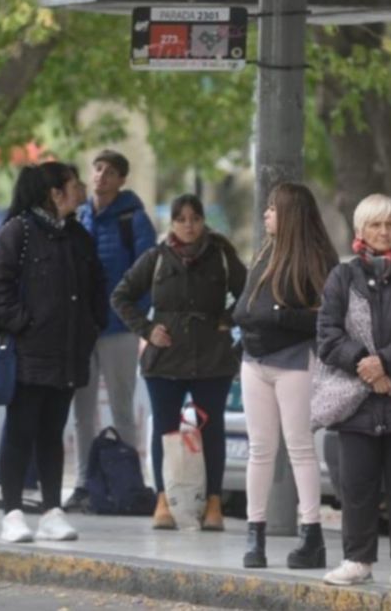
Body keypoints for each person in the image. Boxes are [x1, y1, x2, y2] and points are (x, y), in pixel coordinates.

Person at [317, 194, 391, 588]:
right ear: (360, 231)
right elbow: (327, 336)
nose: (384, 231)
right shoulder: (342, 277)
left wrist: (384, 362)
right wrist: (367, 367)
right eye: (375, 225)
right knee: (356, 487)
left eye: (390, 223)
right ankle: (357, 559)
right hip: (356, 405)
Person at [0, 162, 105, 543]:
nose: (81, 188)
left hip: (68, 353)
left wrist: (87, 329)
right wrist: (26, 325)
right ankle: (14, 512)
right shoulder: (18, 231)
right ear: (55, 193)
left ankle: (52, 510)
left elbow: (97, 292)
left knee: (53, 433)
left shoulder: (78, 237)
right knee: (21, 431)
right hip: (27, 354)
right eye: (73, 184)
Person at [111, 194, 246, 532]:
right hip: (166, 359)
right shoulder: (156, 257)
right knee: (166, 431)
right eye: (181, 219)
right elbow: (121, 296)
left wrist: (228, 319)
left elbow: (250, 292)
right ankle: (164, 500)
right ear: (171, 223)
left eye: (195, 218)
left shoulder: (221, 254)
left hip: (212, 357)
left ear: (203, 222)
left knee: (211, 431)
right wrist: (147, 329)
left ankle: (213, 501)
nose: (189, 225)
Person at [233, 182, 338, 570]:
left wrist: (277, 315)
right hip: (254, 359)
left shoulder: (316, 258)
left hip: (293, 360)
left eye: (274, 209)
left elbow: (325, 316)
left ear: (290, 214)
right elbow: (245, 306)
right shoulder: (265, 251)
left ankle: (311, 533)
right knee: (259, 449)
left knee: (298, 447)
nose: (266, 214)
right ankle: (254, 532)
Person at [65, 149, 156, 512]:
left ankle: (127, 484)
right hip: (83, 328)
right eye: (98, 168)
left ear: (121, 180)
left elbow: (149, 271)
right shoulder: (80, 214)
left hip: (119, 328)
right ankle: (84, 484)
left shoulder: (133, 219)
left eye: (110, 171)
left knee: (120, 406)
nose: (101, 175)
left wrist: (136, 316)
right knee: (83, 411)